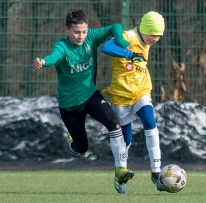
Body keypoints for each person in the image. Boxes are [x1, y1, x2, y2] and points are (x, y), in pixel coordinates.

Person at [33, 9, 140, 194]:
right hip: (70, 107)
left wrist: (122, 43)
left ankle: (119, 170)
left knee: (115, 124)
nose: (81, 36)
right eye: (76, 32)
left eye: (83, 31)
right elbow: (53, 57)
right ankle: (73, 142)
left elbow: (115, 26)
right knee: (82, 148)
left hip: (91, 97)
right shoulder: (62, 46)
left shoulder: (91, 36)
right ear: (66, 29)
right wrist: (43, 61)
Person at [101, 11, 165, 192]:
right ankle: (120, 174)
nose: (155, 39)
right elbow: (106, 47)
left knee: (149, 121)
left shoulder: (147, 41)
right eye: (153, 35)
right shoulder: (128, 36)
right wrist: (128, 54)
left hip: (141, 91)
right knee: (126, 138)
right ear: (144, 30)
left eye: (159, 36)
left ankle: (156, 172)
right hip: (121, 95)